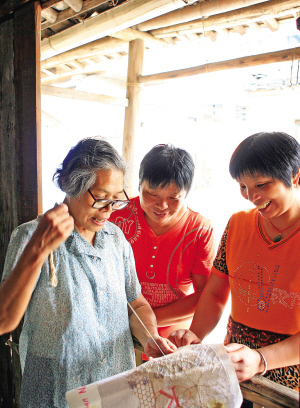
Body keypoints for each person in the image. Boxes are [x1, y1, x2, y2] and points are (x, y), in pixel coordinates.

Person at [0, 137, 176, 408]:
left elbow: (135, 303)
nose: (109, 210)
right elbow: (4, 316)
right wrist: (37, 250)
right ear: (72, 187)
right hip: (57, 391)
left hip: (115, 386)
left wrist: (150, 338)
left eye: (116, 200)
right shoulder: (30, 237)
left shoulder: (116, 239)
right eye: (102, 198)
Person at [169, 132, 300, 400]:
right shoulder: (238, 224)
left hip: (289, 383)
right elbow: (217, 292)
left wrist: (261, 359)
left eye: (262, 185)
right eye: (242, 186)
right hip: (235, 373)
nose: (251, 196)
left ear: (295, 176)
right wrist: (195, 334)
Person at [110, 144, 215, 340]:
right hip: (114, 331)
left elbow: (206, 296)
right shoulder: (116, 216)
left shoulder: (200, 231)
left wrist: (143, 320)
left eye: (174, 197)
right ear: (138, 185)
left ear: (186, 194)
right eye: (152, 194)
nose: (162, 205)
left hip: (172, 340)